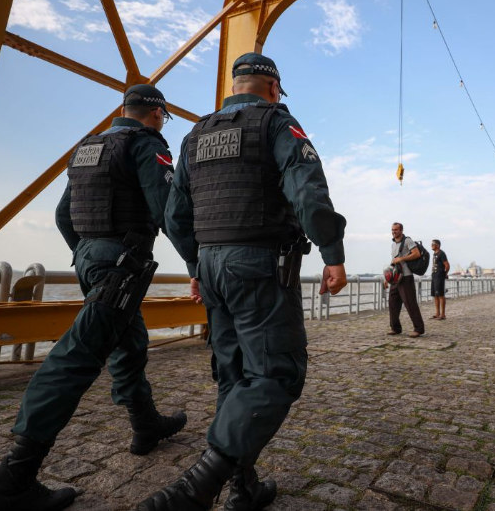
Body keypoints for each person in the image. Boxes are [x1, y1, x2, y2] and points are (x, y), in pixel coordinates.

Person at [137, 53, 347, 511]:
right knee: (275, 371)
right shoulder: (276, 123)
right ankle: (198, 486)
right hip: (259, 263)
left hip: (211, 265)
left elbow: (174, 216)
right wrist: (332, 254)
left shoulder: (194, 135)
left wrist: (197, 266)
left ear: (235, 87)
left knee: (233, 375)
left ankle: (243, 488)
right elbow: (308, 194)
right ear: (273, 88)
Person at [0, 85, 187, 511]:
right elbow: (169, 212)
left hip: (90, 256)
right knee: (76, 357)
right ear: (157, 114)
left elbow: (61, 214)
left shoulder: (88, 148)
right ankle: (12, 481)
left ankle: (145, 423)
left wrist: (86, 250)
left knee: (129, 336)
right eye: (163, 117)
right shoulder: (144, 145)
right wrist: (197, 266)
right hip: (121, 263)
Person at [384, 222, 425, 338]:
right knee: (392, 303)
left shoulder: (408, 241)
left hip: (406, 277)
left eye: (396, 230)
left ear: (401, 230)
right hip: (395, 278)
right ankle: (395, 328)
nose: (394, 232)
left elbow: (416, 254)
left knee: (410, 303)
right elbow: (393, 261)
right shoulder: (393, 245)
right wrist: (387, 278)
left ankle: (419, 329)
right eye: (392, 229)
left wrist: (402, 258)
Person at [430, 239, 450, 320]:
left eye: (433, 244)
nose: (431, 245)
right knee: (435, 295)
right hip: (434, 276)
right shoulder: (434, 253)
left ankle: (443, 314)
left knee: (441, 295)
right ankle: (437, 313)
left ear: (437, 245)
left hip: (439, 276)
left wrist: (445, 273)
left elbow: (447, 265)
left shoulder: (442, 253)